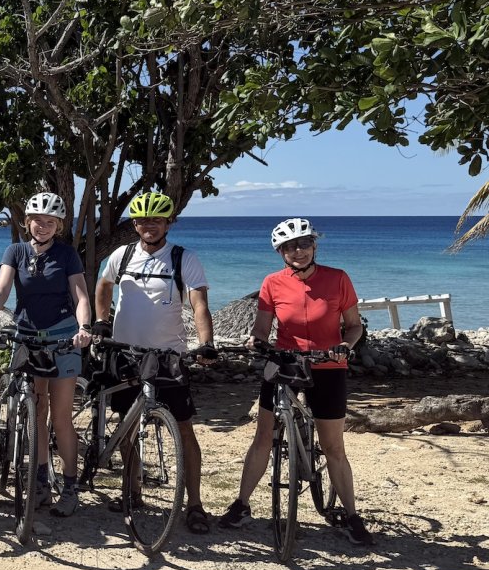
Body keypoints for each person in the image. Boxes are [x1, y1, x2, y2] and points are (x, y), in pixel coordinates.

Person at [217, 218, 375, 545]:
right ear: (281, 252)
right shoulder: (272, 283)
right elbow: (262, 329)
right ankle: (242, 504)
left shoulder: (338, 278)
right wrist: (256, 341)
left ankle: (351, 515)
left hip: (328, 365)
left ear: (315, 245)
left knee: (333, 447)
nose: (298, 251)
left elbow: (354, 326)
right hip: (284, 363)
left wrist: (345, 347)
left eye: (304, 243)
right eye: (289, 246)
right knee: (263, 437)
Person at [93, 191, 218, 532]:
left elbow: (199, 304)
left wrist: (206, 343)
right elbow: (104, 285)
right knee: (128, 426)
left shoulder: (183, 259)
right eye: (142, 220)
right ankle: (132, 493)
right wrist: (101, 320)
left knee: (183, 429)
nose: (148, 226)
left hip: (168, 357)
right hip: (126, 354)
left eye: (156, 220)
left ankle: (194, 504)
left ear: (168, 223)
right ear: (134, 224)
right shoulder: (123, 254)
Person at [0, 192, 93, 515]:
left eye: (50, 222)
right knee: (37, 412)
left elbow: (81, 296)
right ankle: (40, 482)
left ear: (58, 226)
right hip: (27, 339)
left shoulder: (67, 255)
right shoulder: (15, 251)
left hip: (63, 340)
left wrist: (84, 327)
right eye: (37, 220)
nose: (43, 226)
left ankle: (70, 487)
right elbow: (1, 291)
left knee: (61, 417)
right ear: (27, 222)